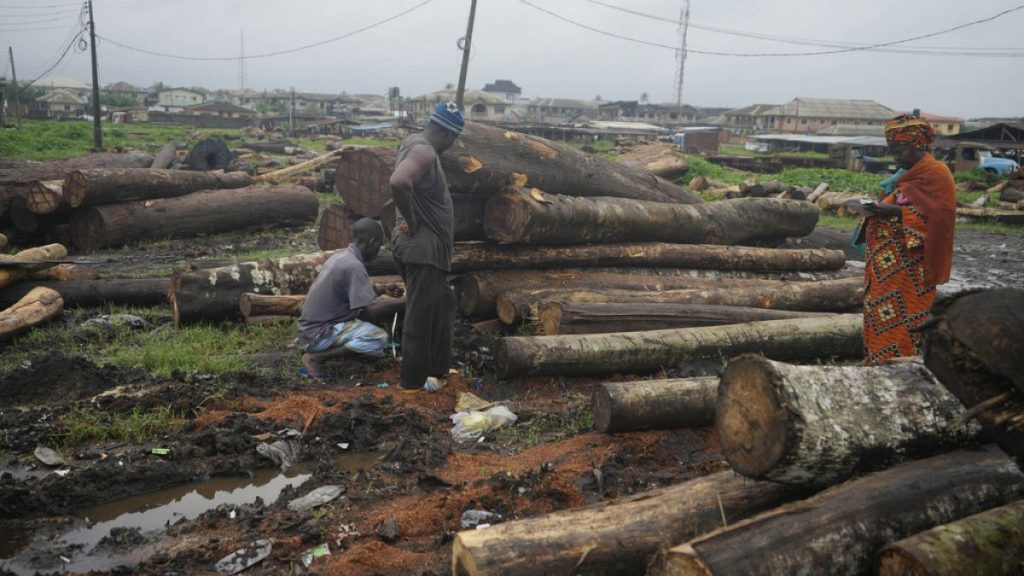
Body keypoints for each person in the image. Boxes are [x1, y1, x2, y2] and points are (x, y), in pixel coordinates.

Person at [853, 114, 956, 365]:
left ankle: (897, 365)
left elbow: (941, 218)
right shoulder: (907, 174)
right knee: (880, 315)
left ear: (916, 145)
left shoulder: (936, 173)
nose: (895, 157)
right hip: (885, 269)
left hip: (909, 269)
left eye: (899, 151)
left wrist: (895, 212)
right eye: (892, 151)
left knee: (904, 318)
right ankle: (876, 361)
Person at [388, 101, 464, 392]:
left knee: (444, 302)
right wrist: (412, 220)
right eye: (453, 139)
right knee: (420, 314)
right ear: (447, 134)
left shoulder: (413, 142)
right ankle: (412, 384)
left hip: (426, 249)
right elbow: (398, 182)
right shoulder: (423, 151)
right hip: (423, 249)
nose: (452, 145)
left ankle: (436, 368)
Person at [297, 218, 401, 378]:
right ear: (372, 242)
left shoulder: (341, 257)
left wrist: (380, 289)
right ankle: (316, 358)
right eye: (378, 246)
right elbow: (371, 310)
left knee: (372, 340)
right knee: (378, 338)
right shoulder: (354, 267)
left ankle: (346, 356)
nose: (377, 251)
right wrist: (405, 302)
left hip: (309, 331)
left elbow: (354, 292)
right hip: (319, 335)